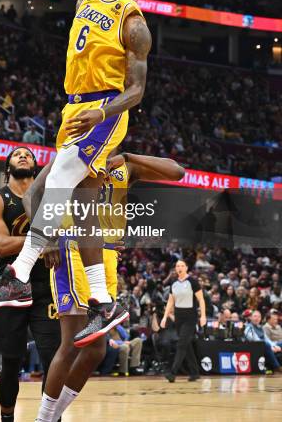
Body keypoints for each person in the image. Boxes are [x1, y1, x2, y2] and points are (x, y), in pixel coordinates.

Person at [0, 0, 152, 349]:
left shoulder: (134, 22)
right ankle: (106, 302)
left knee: (52, 184)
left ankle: (18, 274)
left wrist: (101, 114)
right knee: (84, 213)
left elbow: (137, 90)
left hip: (105, 109)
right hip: (74, 108)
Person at [34, 152, 184, 422]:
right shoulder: (73, 151)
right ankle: (43, 419)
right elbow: (35, 193)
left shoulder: (125, 164)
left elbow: (177, 172)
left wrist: (127, 156)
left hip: (107, 254)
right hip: (74, 247)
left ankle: (51, 417)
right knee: (71, 344)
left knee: (96, 350)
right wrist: (47, 239)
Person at [0, 148, 61, 422]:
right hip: (10, 288)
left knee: (54, 362)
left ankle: (50, 419)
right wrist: (45, 240)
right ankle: (7, 418)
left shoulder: (50, 197)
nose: (22, 156)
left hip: (48, 286)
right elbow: (1, 245)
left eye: (28, 155)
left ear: (36, 165)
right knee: (9, 363)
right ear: (7, 164)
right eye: (17, 154)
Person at [161, 259, 207, 383]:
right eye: (177, 266)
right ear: (175, 269)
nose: (179, 267)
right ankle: (195, 372)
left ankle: (172, 372)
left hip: (190, 317)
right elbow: (170, 302)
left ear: (186, 268)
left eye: (182, 265)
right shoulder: (174, 284)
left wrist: (203, 316)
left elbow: (201, 300)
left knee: (181, 344)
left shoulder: (193, 282)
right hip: (178, 317)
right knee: (187, 345)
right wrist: (165, 317)